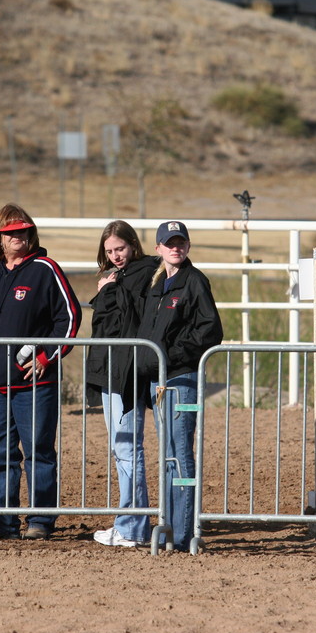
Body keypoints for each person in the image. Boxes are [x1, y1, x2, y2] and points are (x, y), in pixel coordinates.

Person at [0, 203, 81, 541]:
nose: (18, 238)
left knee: (38, 450)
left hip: (35, 384)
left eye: (23, 232)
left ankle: (40, 520)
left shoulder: (46, 269)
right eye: (11, 233)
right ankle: (1, 520)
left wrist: (46, 356)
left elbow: (69, 318)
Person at [137, 221, 222, 551]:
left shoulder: (194, 281)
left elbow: (210, 330)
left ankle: (185, 532)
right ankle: (171, 527)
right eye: (169, 243)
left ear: (188, 245)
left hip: (181, 378)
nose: (176, 247)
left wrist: (169, 355)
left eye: (181, 242)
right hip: (158, 380)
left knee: (180, 453)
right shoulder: (158, 283)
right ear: (158, 248)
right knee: (169, 454)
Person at [86, 221, 159, 548]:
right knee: (123, 448)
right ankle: (133, 524)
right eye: (110, 251)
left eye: (120, 249)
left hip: (127, 373)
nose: (116, 255)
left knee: (127, 448)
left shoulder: (142, 273)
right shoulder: (118, 276)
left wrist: (108, 290)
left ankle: (131, 527)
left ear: (133, 245)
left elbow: (130, 318)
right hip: (112, 371)